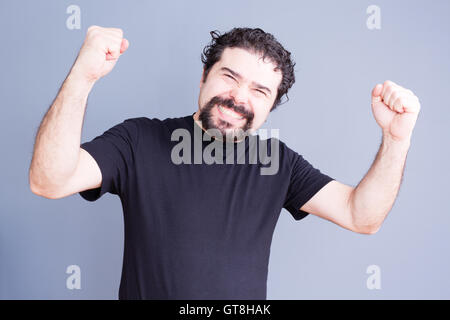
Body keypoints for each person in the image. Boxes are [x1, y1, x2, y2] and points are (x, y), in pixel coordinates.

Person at [29, 26, 421, 299]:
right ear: (204, 76)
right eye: (229, 76)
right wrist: (84, 74)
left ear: (270, 106)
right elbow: (49, 180)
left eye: (259, 90)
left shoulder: (276, 161)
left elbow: (361, 216)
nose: (238, 97)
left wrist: (395, 138)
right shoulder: (138, 140)